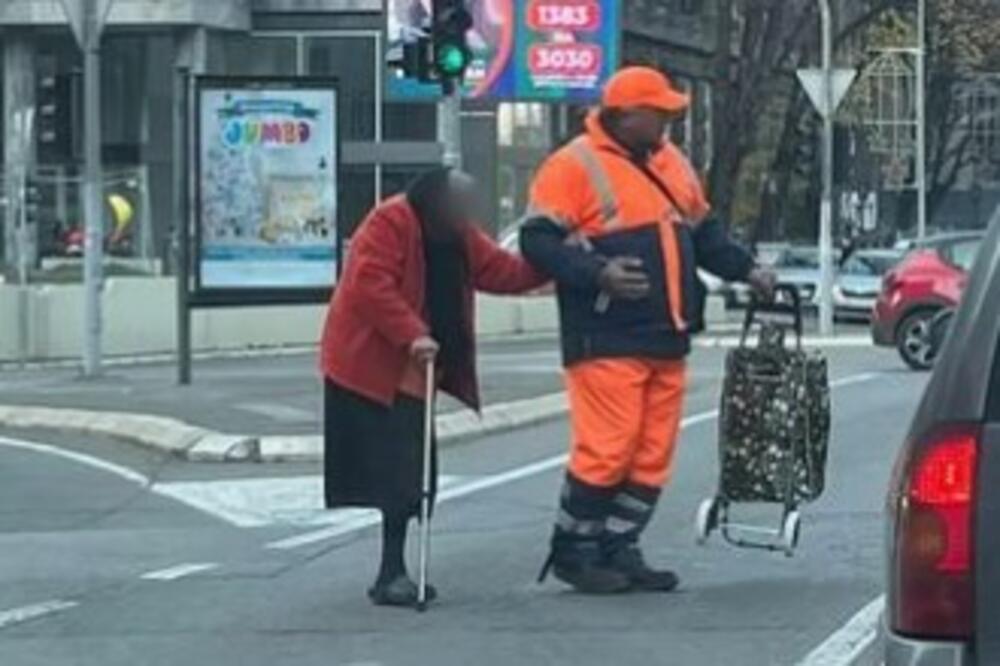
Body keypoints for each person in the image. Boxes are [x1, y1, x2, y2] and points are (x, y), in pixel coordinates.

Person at [520, 66, 775, 594]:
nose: (667, 121)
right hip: (605, 336)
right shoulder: (572, 165)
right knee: (608, 447)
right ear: (624, 115)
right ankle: (575, 551)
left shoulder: (671, 164)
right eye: (658, 113)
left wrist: (748, 270)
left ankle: (619, 546)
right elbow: (537, 242)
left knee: (651, 452)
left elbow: (706, 235)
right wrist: (599, 274)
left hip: (667, 335)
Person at [319, 168, 545, 607]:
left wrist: (550, 265)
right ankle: (391, 571)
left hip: (417, 366)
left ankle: (393, 570)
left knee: (413, 471)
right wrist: (412, 333)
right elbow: (370, 283)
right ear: (435, 201)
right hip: (374, 364)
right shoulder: (391, 221)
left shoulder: (456, 232)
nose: (467, 213)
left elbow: (499, 271)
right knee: (398, 471)